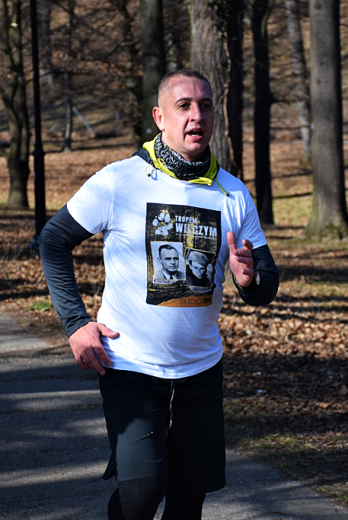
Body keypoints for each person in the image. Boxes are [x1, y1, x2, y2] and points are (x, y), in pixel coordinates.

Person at [39, 69, 278, 520]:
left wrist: (250, 282)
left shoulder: (232, 193)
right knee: (143, 492)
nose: (196, 115)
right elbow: (53, 241)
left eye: (205, 105)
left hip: (200, 369)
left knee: (189, 499)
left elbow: (264, 283)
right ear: (160, 117)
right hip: (130, 365)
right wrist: (75, 324)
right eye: (184, 106)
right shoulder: (120, 181)